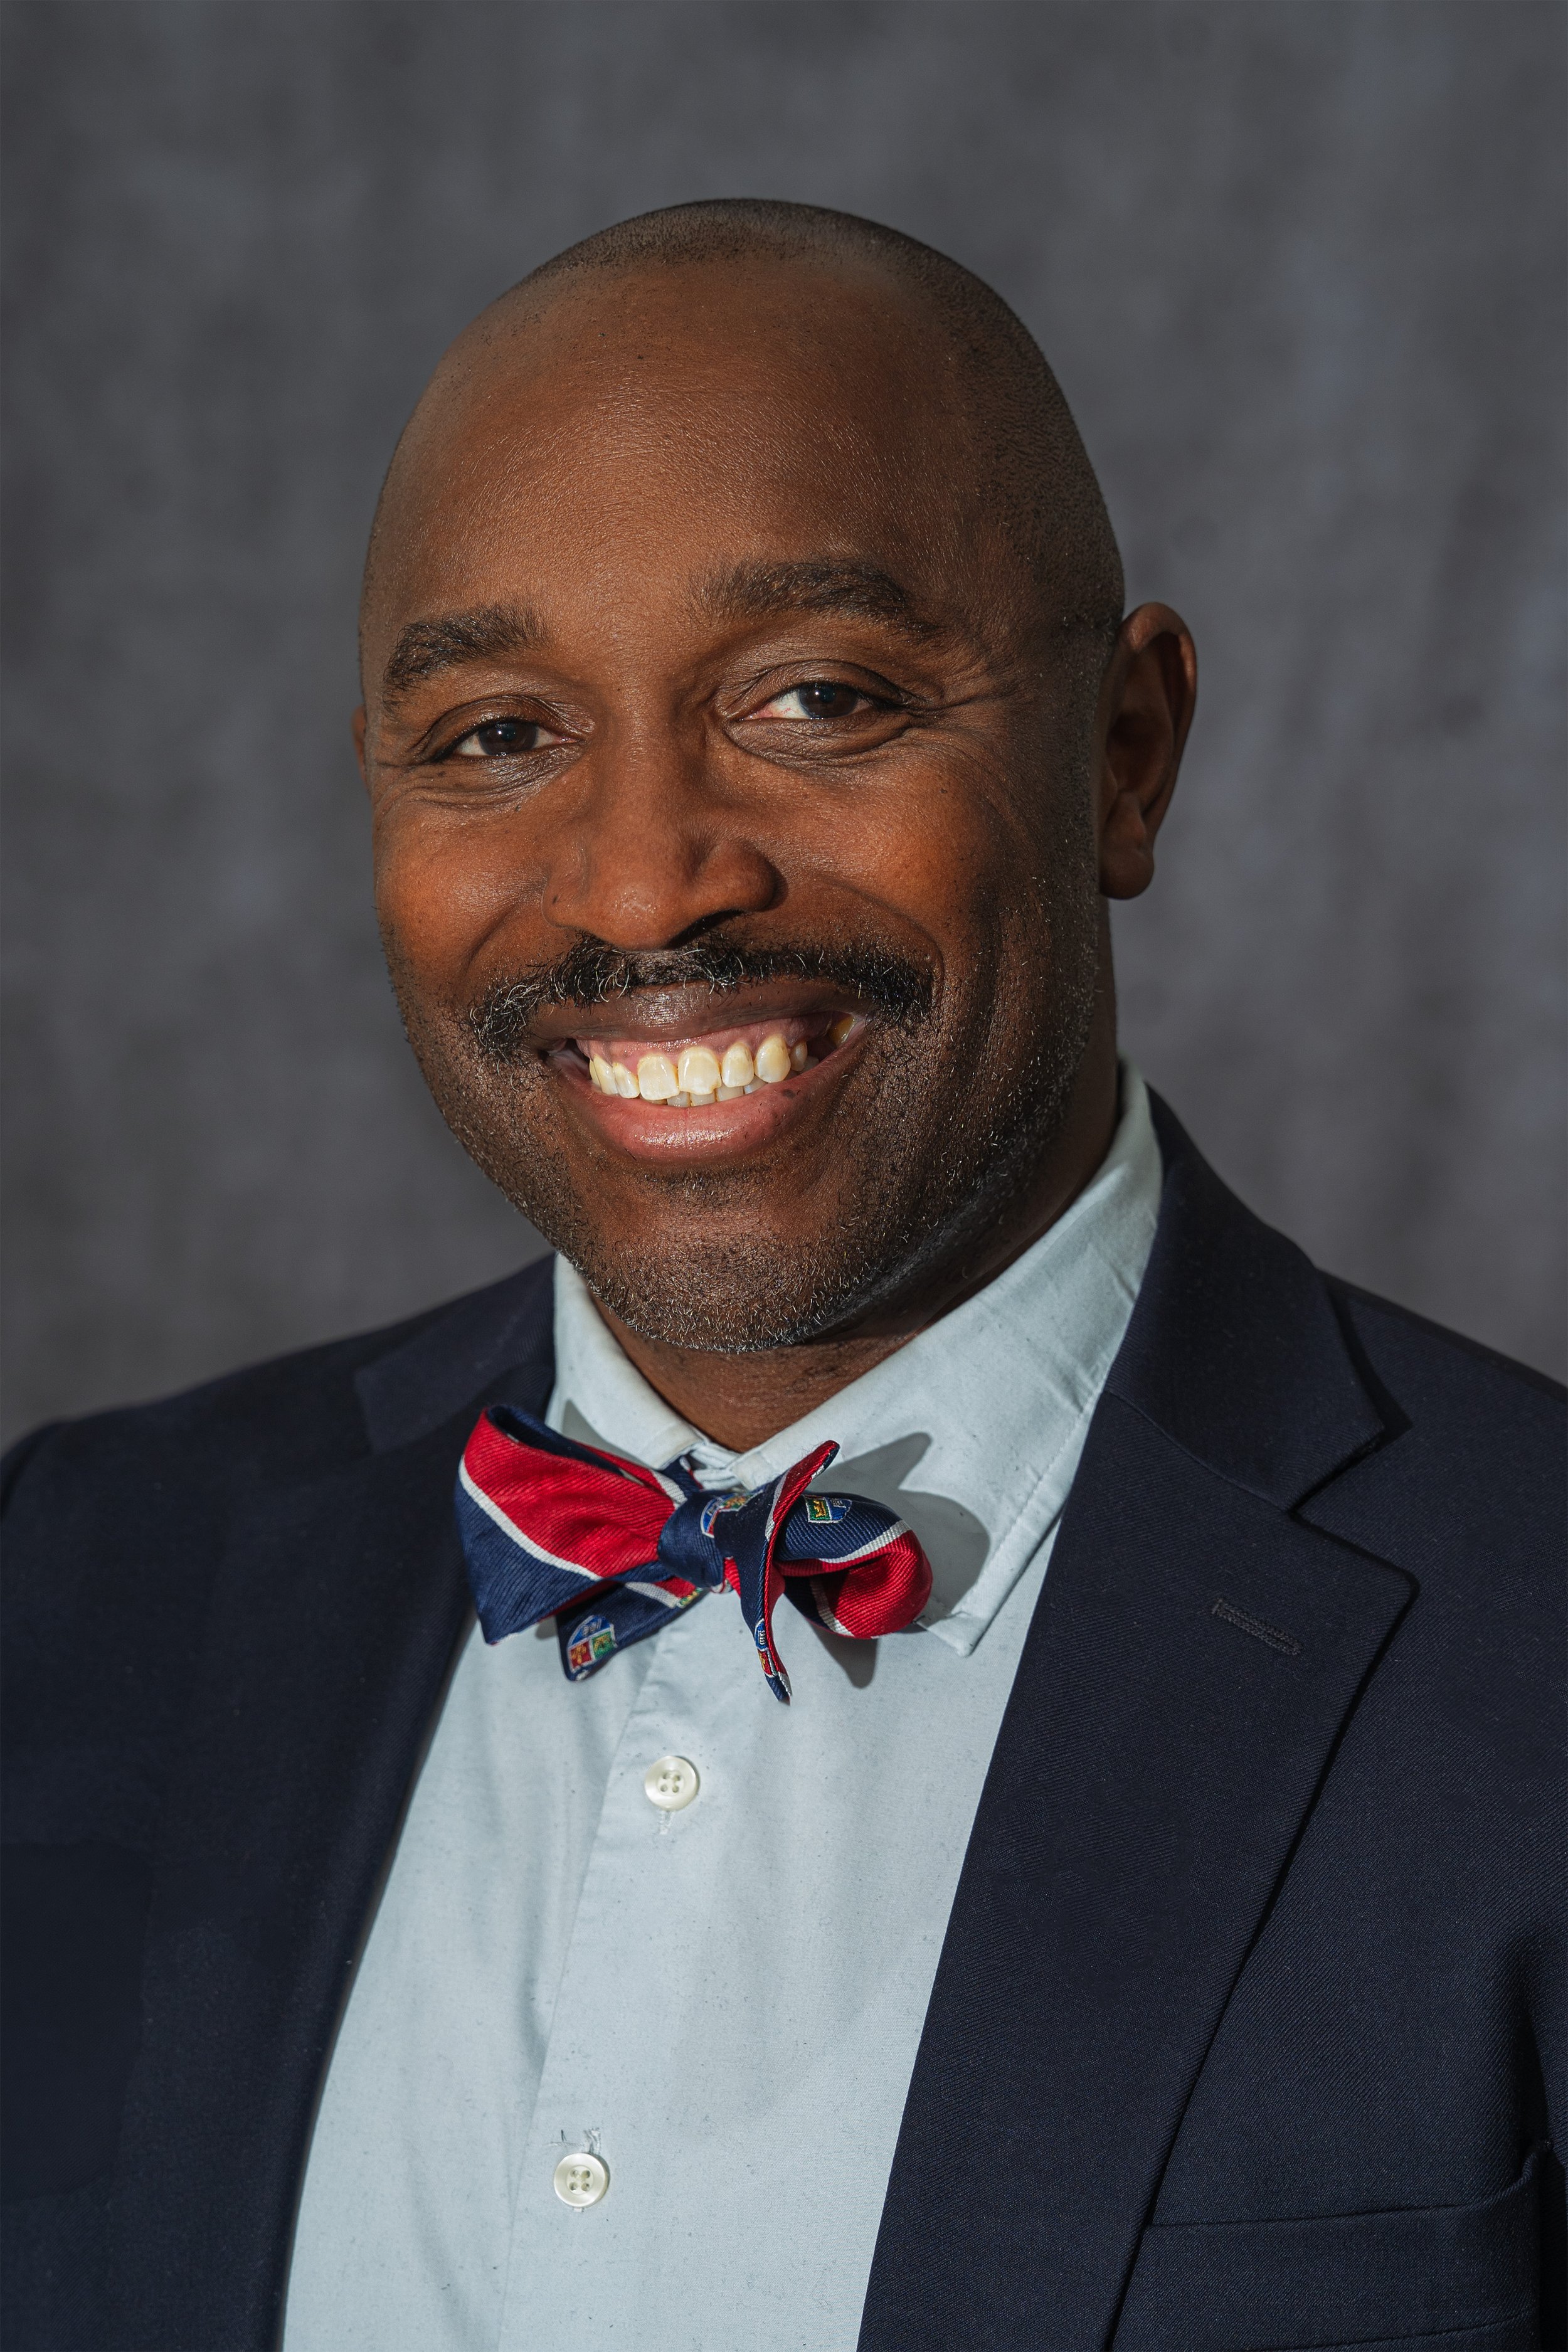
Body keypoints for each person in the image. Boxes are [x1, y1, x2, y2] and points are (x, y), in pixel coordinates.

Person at [2, 200, 1561, 2352]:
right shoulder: (72, 1589)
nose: (646, 881)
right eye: (495, 735)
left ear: (1123, 754)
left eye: (817, 699)